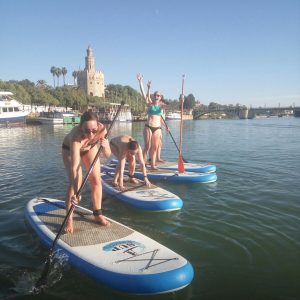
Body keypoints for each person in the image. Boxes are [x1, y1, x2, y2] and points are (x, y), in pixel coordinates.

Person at [62, 111, 111, 233]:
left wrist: (105, 146)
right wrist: (76, 193)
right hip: (69, 151)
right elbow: (75, 167)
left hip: (90, 148)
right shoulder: (76, 137)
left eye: (93, 131)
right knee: (76, 183)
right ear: (80, 128)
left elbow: (108, 154)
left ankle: (97, 214)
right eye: (86, 131)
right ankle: (69, 219)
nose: (90, 134)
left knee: (96, 180)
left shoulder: (102, 130)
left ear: (98, 125)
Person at [137, 73, 167, 170]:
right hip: (148, 127)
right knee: (147, 146)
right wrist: (140, 81)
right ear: (153, 96)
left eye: (158, 95)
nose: (157, 96)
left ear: (160, 97)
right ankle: (143, 162)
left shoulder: (161, 107)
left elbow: (161, 118)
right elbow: (143, 92)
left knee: (155, 147)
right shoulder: (150, 104)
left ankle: (153, 164)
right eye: (155, 95)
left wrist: (166, 127)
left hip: (158, 128)